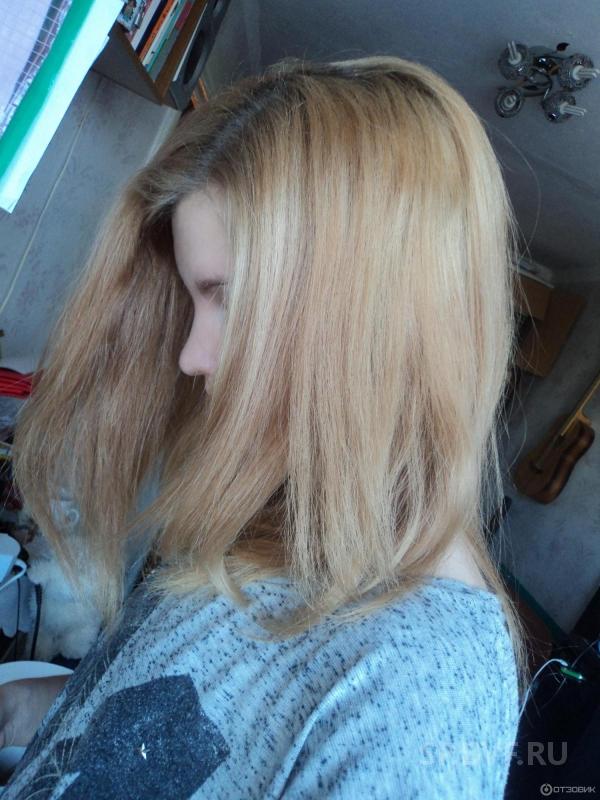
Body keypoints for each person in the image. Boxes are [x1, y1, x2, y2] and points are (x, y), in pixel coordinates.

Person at [2, 55, 530, 798]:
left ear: (374, 318)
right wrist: (23, 706)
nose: (191, 357)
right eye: (194, 300)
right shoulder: (273, 522)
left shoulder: (418, 692)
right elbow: (165, 728)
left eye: (230, 299)